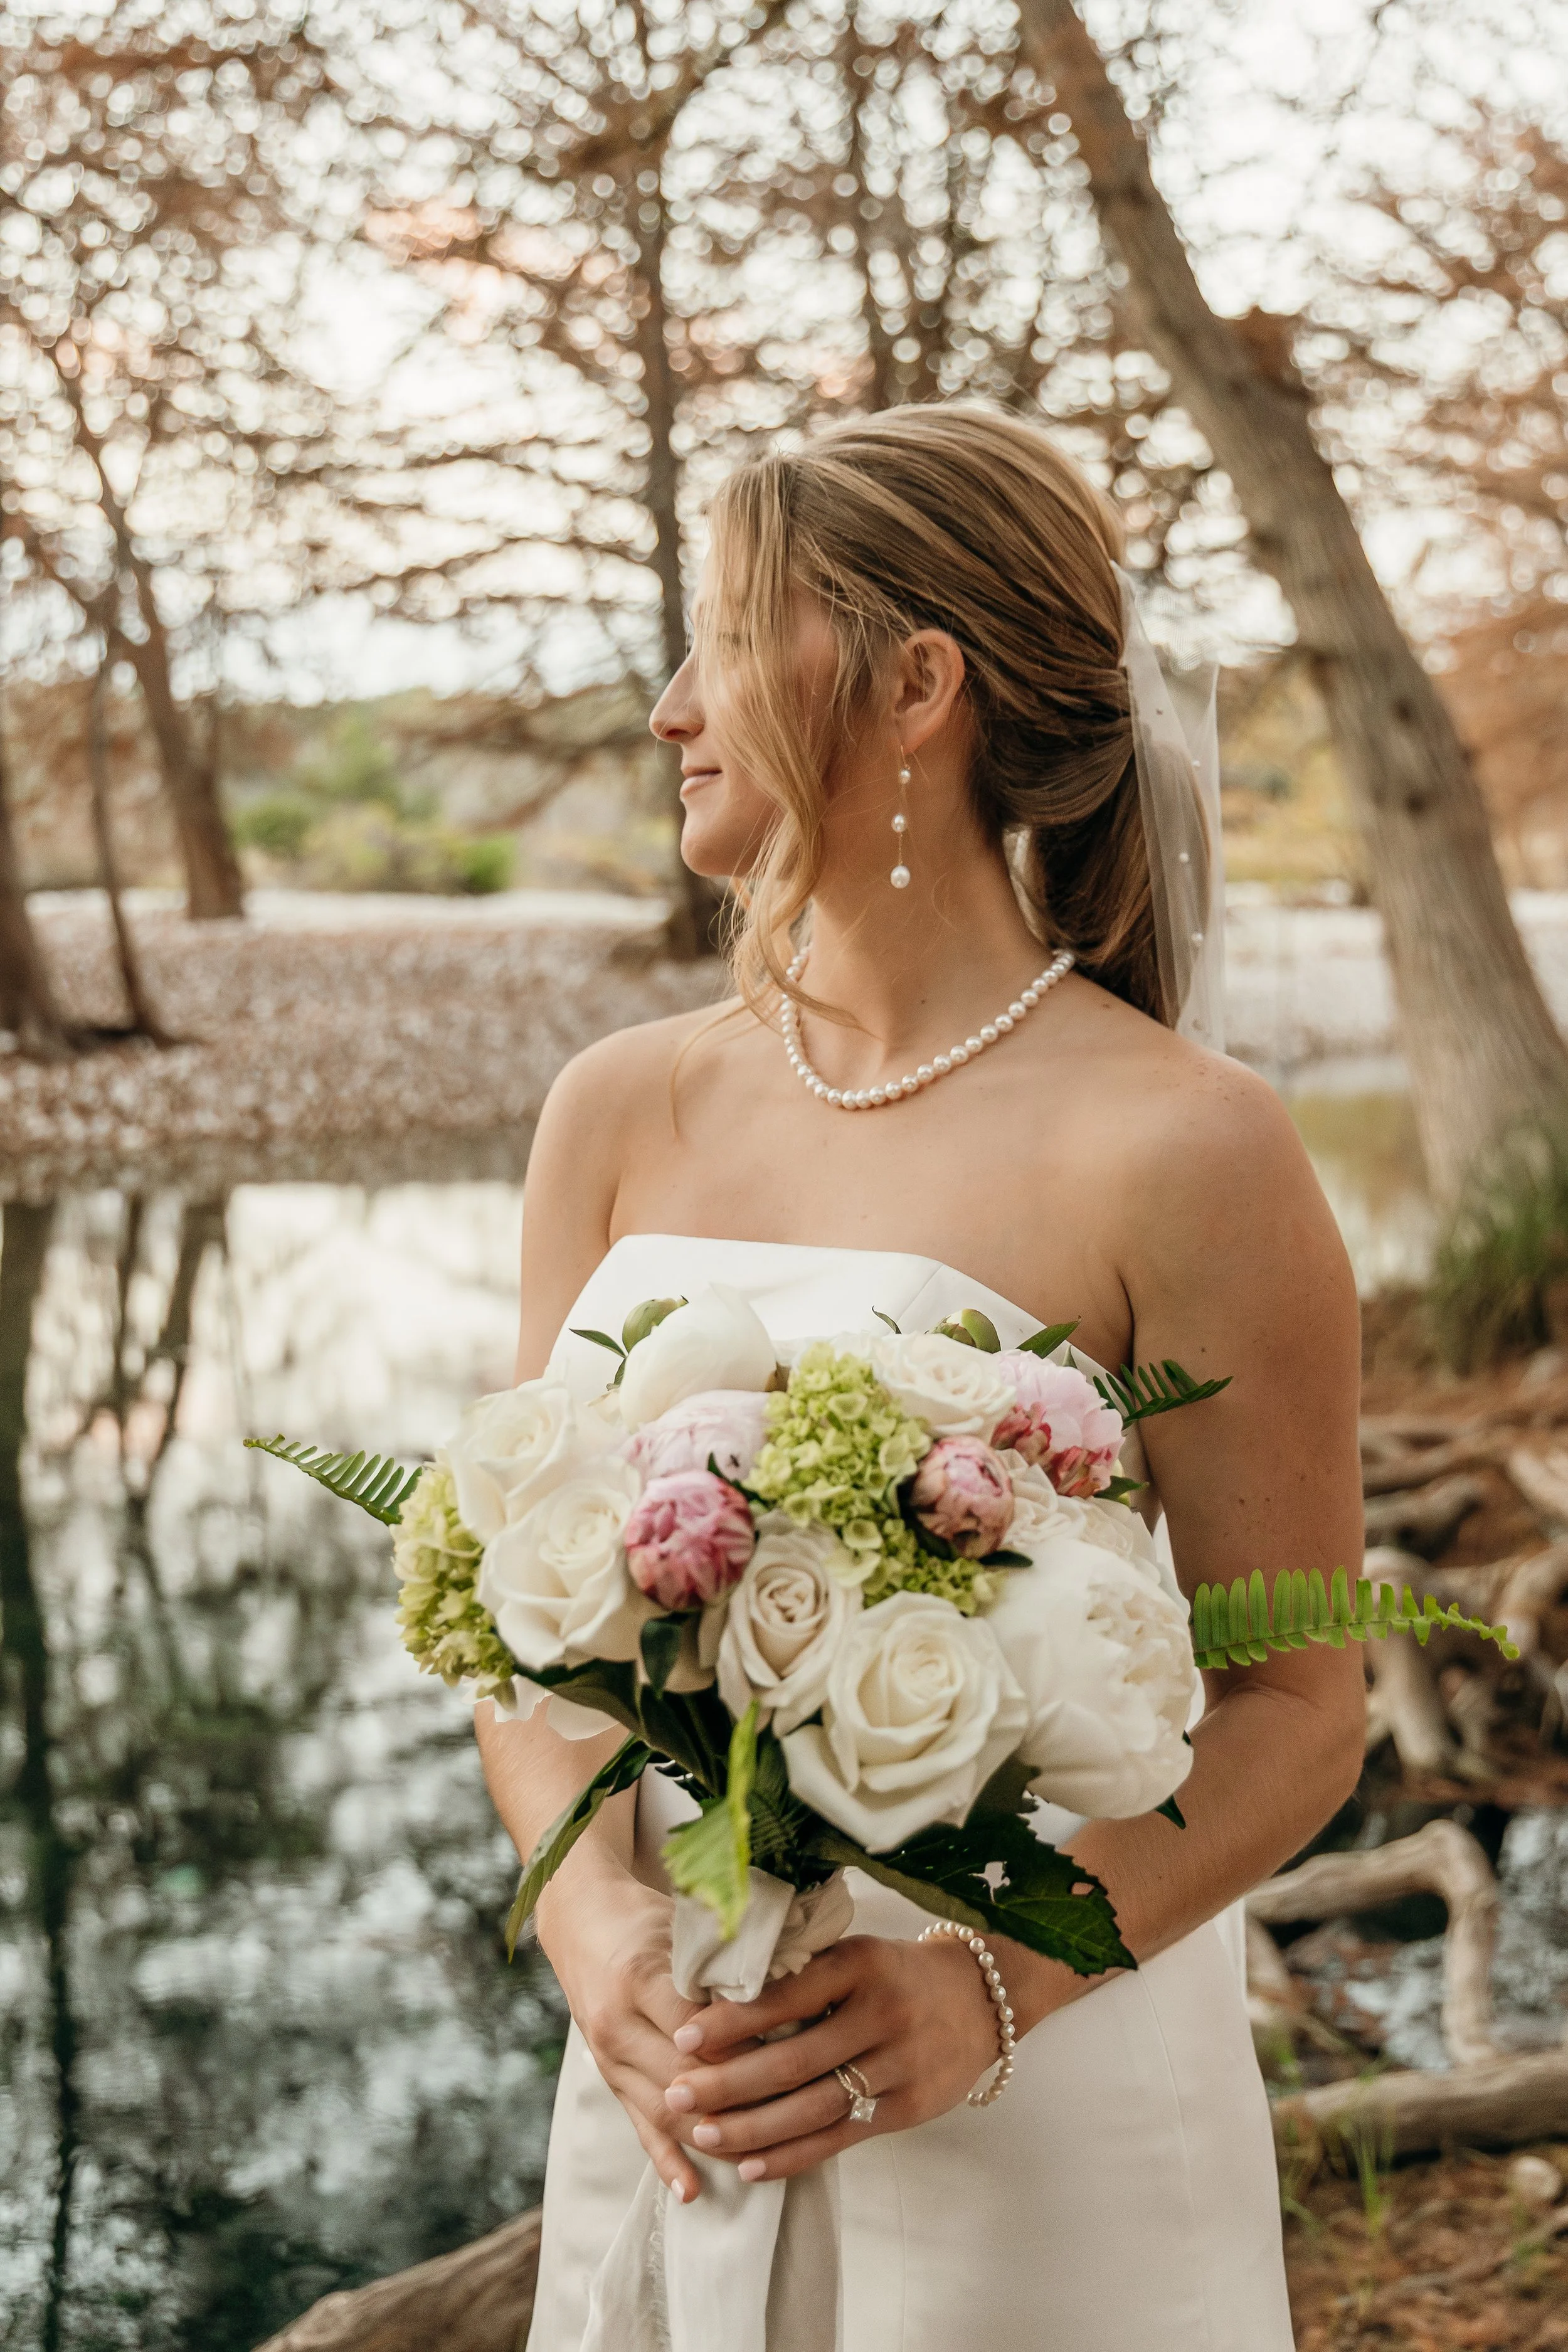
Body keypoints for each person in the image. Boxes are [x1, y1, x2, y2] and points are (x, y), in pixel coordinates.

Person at [477, 403, 1364, 2349]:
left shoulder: (1188, 1149)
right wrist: (588, 1923)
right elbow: (510, 1620)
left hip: (1033, 2105)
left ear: (911, 684)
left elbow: (1299, 1696)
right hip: (684, 2069)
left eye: (719, 637)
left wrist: (991, 1983)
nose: (664, 706)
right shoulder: (613, 1110)